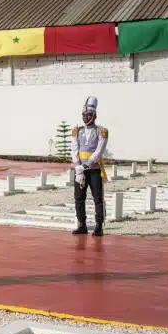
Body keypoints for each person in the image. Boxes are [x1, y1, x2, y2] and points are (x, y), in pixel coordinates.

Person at [71, 96, 108, 237]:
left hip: (94, 170)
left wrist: (85, 166)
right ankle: (82, 225)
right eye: (83, 115)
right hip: (80, 170)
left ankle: (99, 226)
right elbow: (74, 149)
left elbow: (99, 151)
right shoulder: (77, 131)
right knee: (79, 197)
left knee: (98, 198)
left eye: (88, 115)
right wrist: (78, 167)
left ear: (94, 115)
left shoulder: (102, 131)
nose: (85, 117)